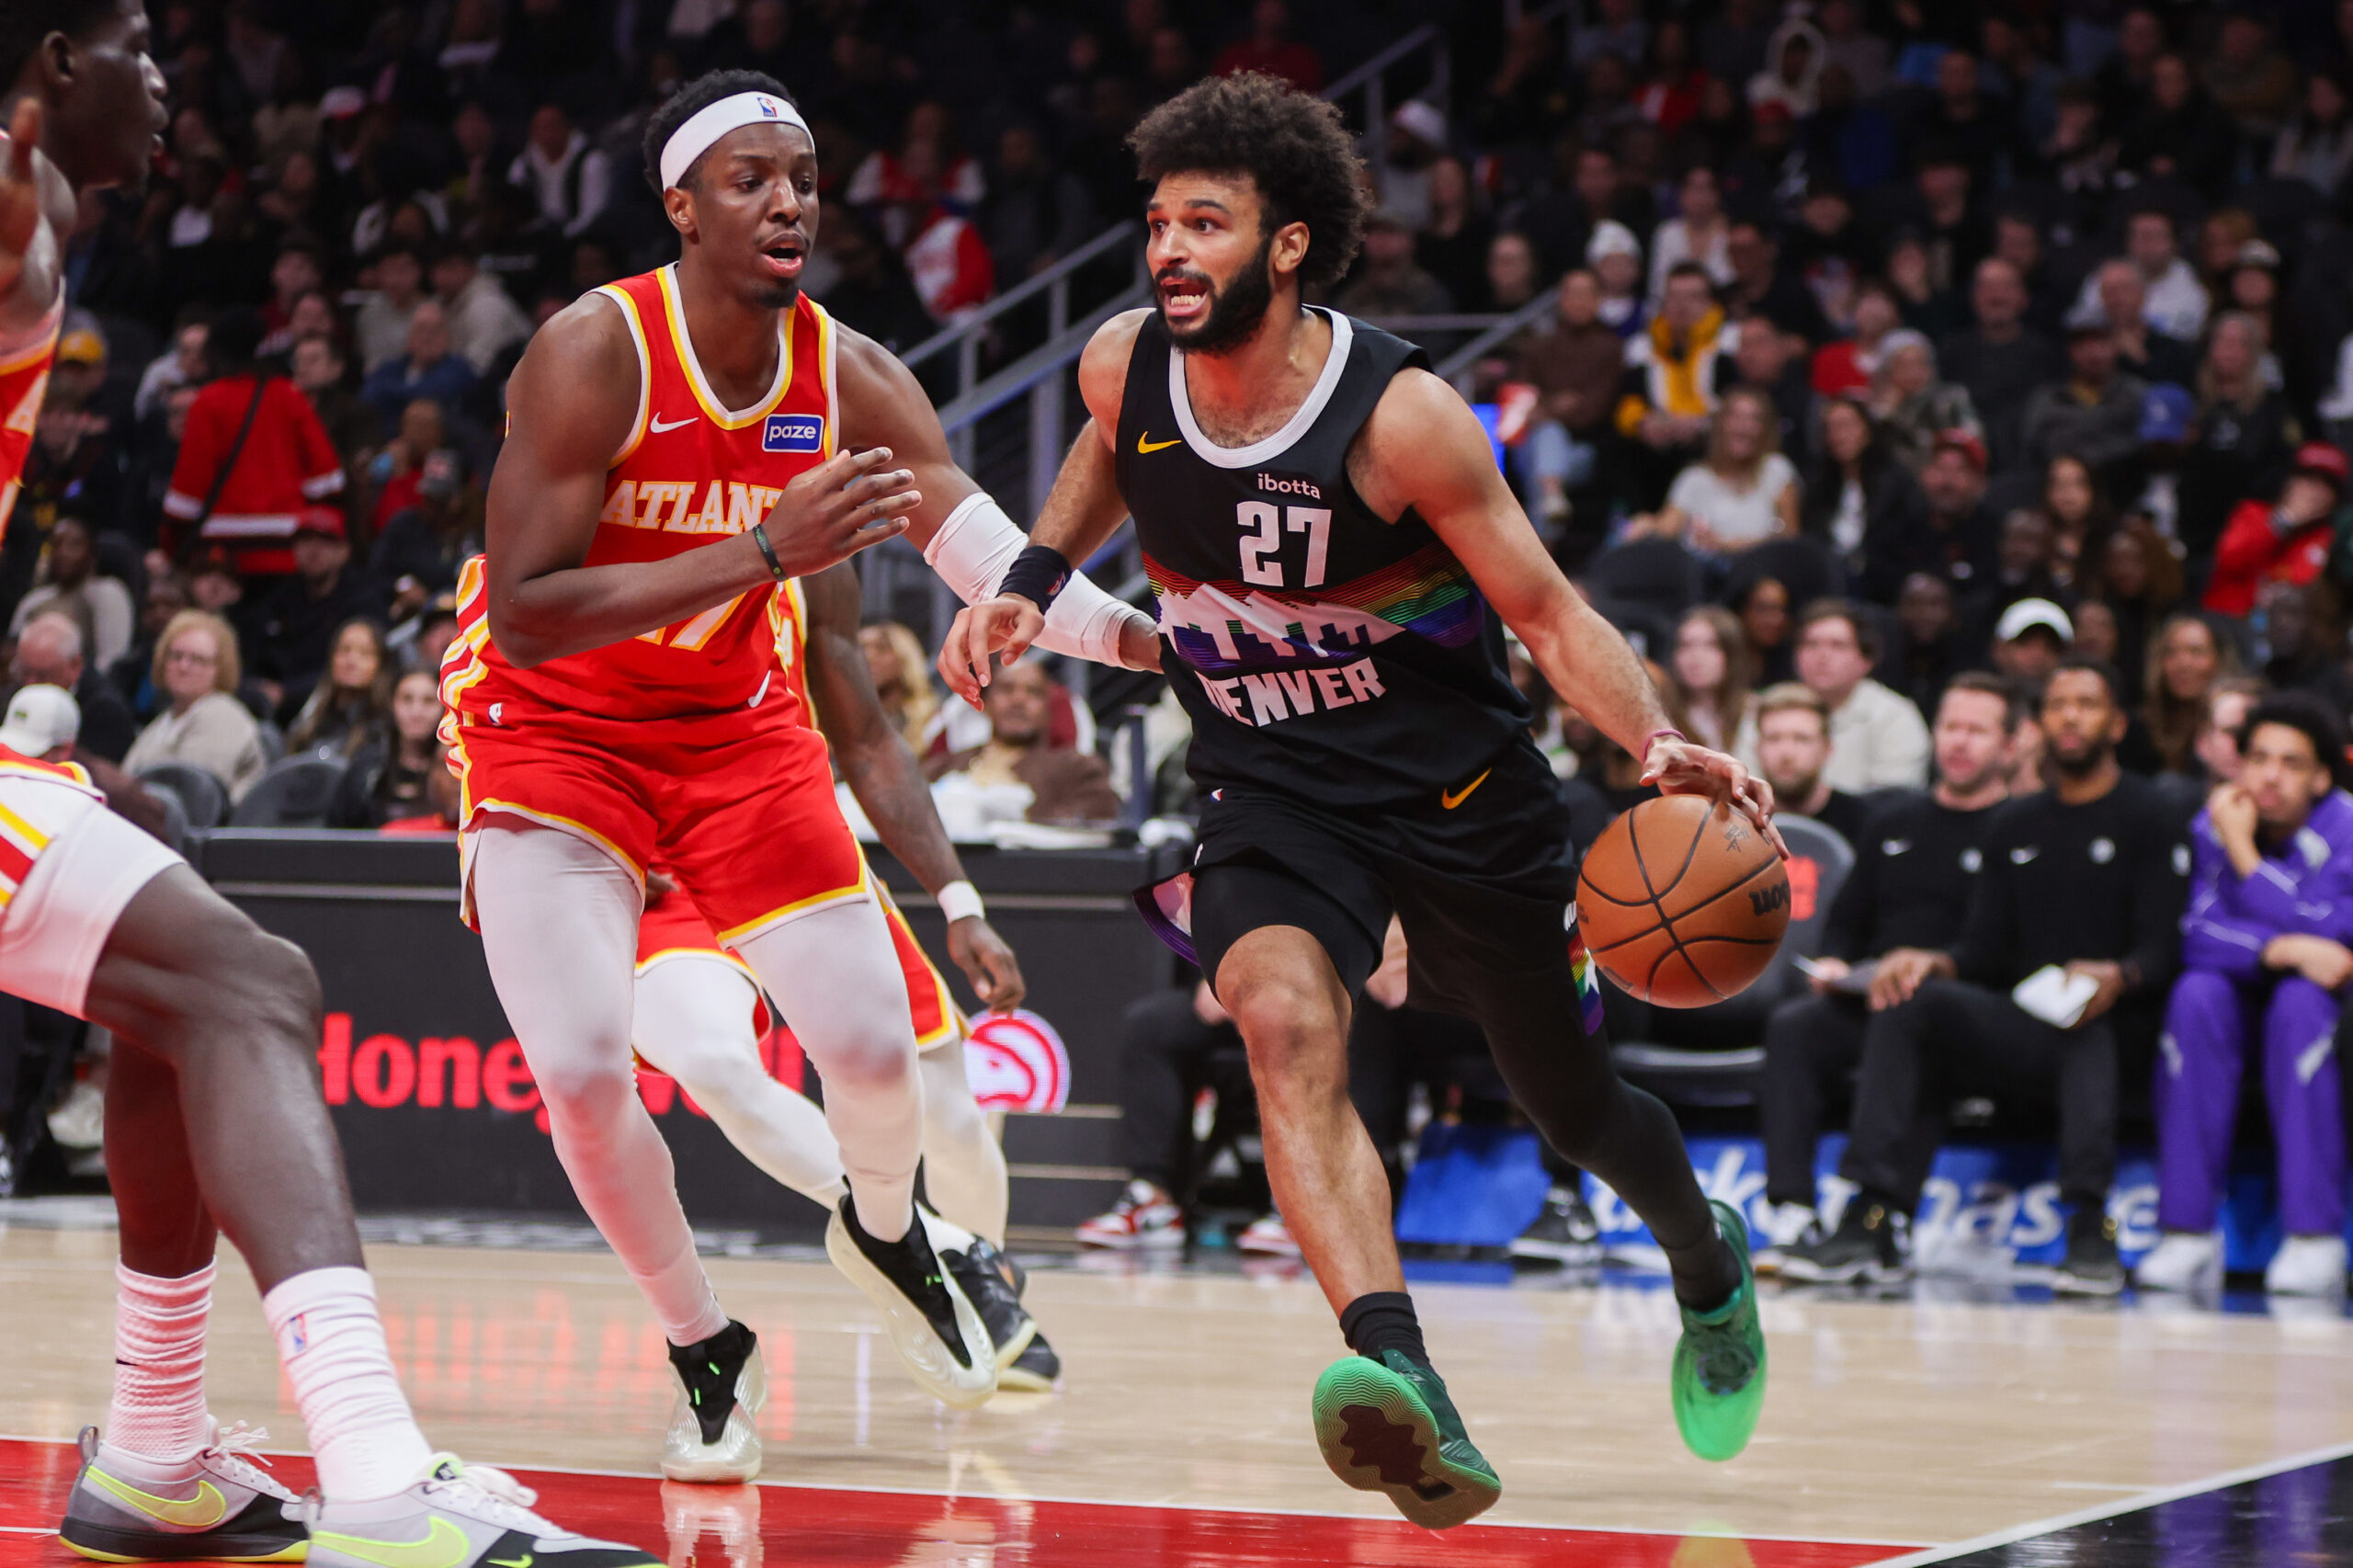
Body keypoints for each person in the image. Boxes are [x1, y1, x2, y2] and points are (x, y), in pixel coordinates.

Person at [941, 73, 1772, 1528]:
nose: (1168, 249)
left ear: (1288, 242)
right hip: (1268, 783)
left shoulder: (1402, 419)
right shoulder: (1124, 364)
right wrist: (1028, 579)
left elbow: (1550, 610)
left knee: (1572, 1108)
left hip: (1460, 798)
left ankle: (1709, 1262)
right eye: (1155, 220)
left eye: (1207, 220)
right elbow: (1104, 455)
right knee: (1276, 1018)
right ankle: (1399, 1371)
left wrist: (1656, 739)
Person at [0, 17, 656, 1568]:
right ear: (47, 57)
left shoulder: (45, 209)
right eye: (135, 44)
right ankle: (371, 1470)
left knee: (182, 914)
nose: (165, 84)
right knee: (247, 987)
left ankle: (159, 1452)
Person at [444, 68, 1157, 1478]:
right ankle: (704, 1339)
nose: (788, 202)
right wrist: (763, 551)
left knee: (880, 1047)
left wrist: (1152, 645)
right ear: (681, 205)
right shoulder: (594, 351)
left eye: (805, 180)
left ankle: (890, 1231)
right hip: (554, 729)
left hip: (732, 731)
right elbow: (526, 607)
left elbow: (992, 557)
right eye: (753, 178)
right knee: (587, 1074)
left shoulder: (850, 374)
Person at [624, 559, 1061, 1393]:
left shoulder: (807, 551)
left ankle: (987, 1275)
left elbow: (865, 736)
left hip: (787, 844)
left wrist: (958, 899)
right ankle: (923, 1247)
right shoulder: (587, 527)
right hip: (657, 866)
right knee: (713, 1064)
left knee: (950, 1111)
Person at [1780, 661, 2190, 1295]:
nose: (2071, 716)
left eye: (2087, 703)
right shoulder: (2015, 824)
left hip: (2121, 1021)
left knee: (2088, 1028)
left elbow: (2167, 947)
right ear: (2038, 727)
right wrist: (1932, 961)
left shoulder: (2150, 813)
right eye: (2058, 703)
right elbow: (1983, 950)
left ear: (2116, 723)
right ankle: (1870, 1210)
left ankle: (2088, 1225)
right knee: (1912, 996)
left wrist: (2119, 972)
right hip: (2023, 1017)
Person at [1756, 676, 2017, 1271]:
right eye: (1951, 726)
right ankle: (1793, 1210)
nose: (1960, 742)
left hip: (1969, 1008)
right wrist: (1837, 964)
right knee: (1796, 1024)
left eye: (1977, 731)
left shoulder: (2017, 828)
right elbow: (1847, 919)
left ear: (2009, 745)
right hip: (1874, 998)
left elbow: (2007, 948)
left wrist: (1937, 966)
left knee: (1910, 1014)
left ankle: (1872, 1211)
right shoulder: (1894, 820)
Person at [2141, 695, 2353, 1298]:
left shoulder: (2346, 827)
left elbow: (2330, 936)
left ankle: (2316, 1238)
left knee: (2301, 1004)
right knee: (2195, 995)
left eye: (2290, 763)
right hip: (2237, 987)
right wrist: (2276, 949)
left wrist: (2245, 856)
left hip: (2320, 1002)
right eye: (2258, 758)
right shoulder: (2217, 819)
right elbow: (2197, 934)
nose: (2269, 775)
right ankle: (2187, 1232)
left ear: (2320, 777)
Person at [161, 306, 347, 578]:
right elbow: (327, 479)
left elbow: (189, 488)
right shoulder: (289, 396)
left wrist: (172, 547)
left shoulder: (208, 402)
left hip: (223, 559)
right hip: (287, 551)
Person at [1741, 600, 1929, 792]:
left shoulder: (1895, 716)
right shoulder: (1768, 707)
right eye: (1811, 644)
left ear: (1865, 660)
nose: (1822, 656)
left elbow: (1895, 799)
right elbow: (1744, 783)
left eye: (1837, 645)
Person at [924, 659, 1120, 823]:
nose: (1018, 700)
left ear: (1048, 708)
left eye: (1033, 692)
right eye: (1006, 689)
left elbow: (1094, 820)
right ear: (986, 702)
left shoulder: (1079, 770)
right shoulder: (942, 767)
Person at [1632, 385, 1800, 555]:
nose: (1743, 427)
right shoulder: (1695, 478)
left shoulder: (1776, 469)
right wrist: (1647, 524)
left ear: (1765, 428)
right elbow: (1666, 529)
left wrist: (1727, 546)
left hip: (1766, 569)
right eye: (1736, 417)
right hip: (1706, 575)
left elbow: (1789, 537)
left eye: (1754, 419)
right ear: (1720, 424)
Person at [250, 510, 385, 718]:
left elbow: (363, 667)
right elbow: (255, 650)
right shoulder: (281, 596)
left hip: (337, 708)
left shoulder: (362, 599)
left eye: (325, 541)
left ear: (344, 551)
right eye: (305, 541)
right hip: (271, 707)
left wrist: (287, 692)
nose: (313, 550)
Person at [120, 610, 267, 800]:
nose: (183, 667)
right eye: (176, 656)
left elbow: (190, 795)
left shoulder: (222, 715)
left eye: (198, 660)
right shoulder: (165, 719)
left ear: (221, 668)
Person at [2203, 442, 2347, 619]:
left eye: (2327, 484)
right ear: (2289, 480)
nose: (2315, 491)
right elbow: (2230, 560)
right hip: (2229, 622)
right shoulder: (2252, 514)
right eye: (2308, 478)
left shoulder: (2329, 536)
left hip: (2288, 631)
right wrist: (2284, 521)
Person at [1749, 682, 1869, 845]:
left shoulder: (1863, 823)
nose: (1787, 753)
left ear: (1827, 750)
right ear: (1758, 748)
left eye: (1802, 739)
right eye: (1774, 739)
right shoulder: (1738, 821)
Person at [9, 512, 131, 669]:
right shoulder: (34, 600)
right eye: (57, 545)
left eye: (74, 545)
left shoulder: (107, 593)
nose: (63, 553)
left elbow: (112, 660)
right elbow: (12, 655)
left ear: (92, 552)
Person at [326, 669, 443, 828]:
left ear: (445, 707)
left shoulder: (456, 770)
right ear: (392, 704)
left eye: (429, 701)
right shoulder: (367, 767)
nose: (416, 712)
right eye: (407, 699)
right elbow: (337, 834)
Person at [14, 609, 135, 762]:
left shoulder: (107, 712)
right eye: (24, 672)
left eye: (43, 675)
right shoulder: (16, 693)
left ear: (75, 665)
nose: (30, 684)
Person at [2145, 612, 2242, 775]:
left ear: (2219, 659)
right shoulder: (2144, 727)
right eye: (2171, 652)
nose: (2183, 664)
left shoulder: (2238, 720)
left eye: (2196, 652)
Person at [283, 617, 392, 758]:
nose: (351, 661)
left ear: (380, 665)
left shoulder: (382, 729)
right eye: (345, 650)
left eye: (364, 653)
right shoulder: (313, 713)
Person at [1668, 605, 1754, 753]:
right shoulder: (1662, 716)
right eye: (1686, 645)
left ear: (1732, 654)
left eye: (1710, 646)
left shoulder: (1754, 712)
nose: (1695, 657)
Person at [857, 620, 939, 753]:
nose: (869, 656)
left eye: (882, 648)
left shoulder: (934, 722)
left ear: (905, 658)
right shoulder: (844, 723)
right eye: (861, 649)